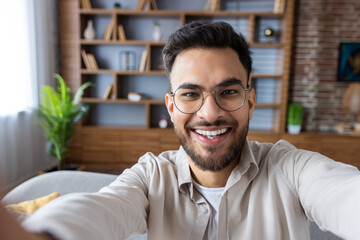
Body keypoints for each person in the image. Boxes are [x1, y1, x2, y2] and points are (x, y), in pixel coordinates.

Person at [1, 21, 360, 240]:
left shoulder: (292, 169)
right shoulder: (150, 176)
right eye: (191, 94)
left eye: (228, 92)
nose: (211, 112)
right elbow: (100, 209)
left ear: (250, 100)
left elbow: (344, 193)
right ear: (171, 106)